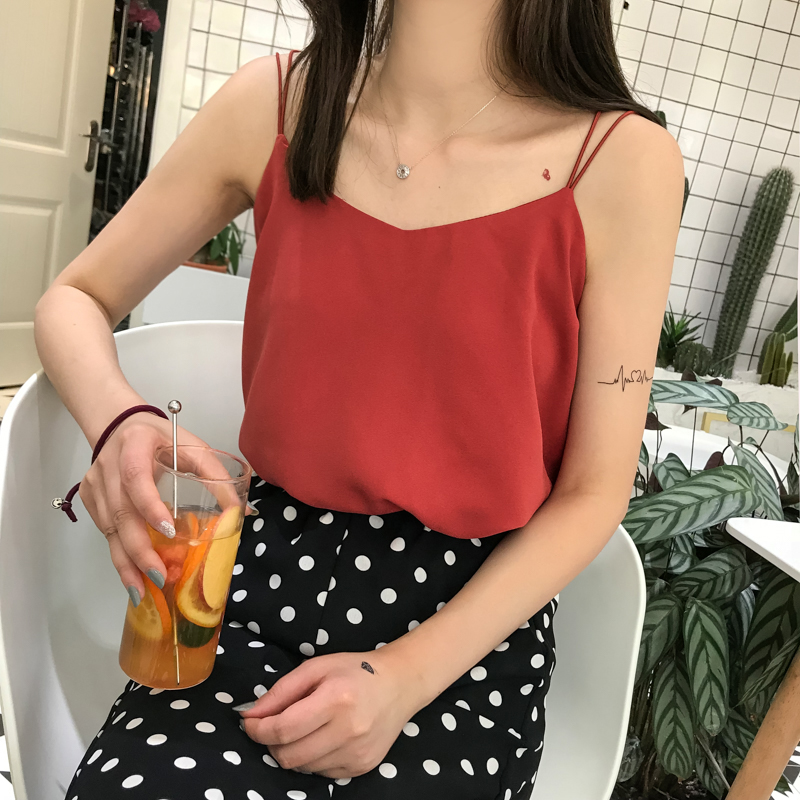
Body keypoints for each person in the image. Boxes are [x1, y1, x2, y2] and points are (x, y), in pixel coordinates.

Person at [35, 0, 684, 797]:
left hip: (463, 640)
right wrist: (119, 420)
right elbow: (75, 298)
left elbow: (595, 490)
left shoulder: (622, 163)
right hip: (249, 591)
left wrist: (404, 676)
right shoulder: (275, 106)